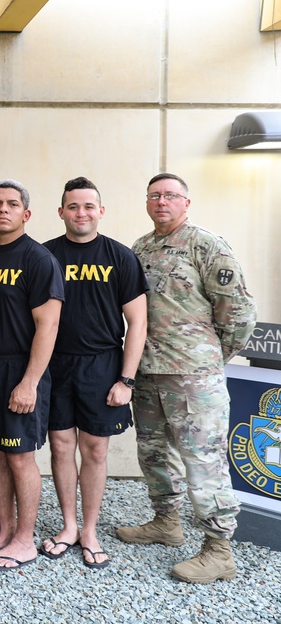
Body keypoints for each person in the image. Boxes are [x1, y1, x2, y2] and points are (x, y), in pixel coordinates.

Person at [116, 173, 256, 584]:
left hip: (194, 378)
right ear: (146, 202)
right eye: (155, 195)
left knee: (203, 462)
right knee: (154, 453)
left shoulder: (206, 245)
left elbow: (239, 313)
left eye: (171, 195)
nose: (162, 202)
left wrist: (211, 356)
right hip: (148, 373)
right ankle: (166, 522)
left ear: (186, 202)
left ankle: (218, 550)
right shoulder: (139, 248)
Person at [40, 178, 148, 569]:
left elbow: (137, 322)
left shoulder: (120, 257)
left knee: (96, 449)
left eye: (88, 206)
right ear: (61, 211)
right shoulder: (45, 256)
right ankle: (68, 526)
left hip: (102, 364)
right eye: (73, 206)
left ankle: (89, 530)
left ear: (100, 211)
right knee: (61, 445)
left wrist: (127, 380)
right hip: (55, 363)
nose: (81, 213)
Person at [0, 180, 64, 571]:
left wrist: (29, 381)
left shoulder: (38, 259)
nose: (3, 209)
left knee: (20, 457)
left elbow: (49, 325)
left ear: (26, 213)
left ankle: (25, 539)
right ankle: (5, 531)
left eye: (12, 204)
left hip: (19, 369)